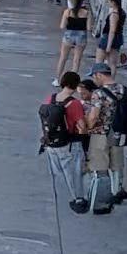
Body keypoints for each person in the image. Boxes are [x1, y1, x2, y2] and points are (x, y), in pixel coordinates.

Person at [42, 71, 89, 214]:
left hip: (51, 142)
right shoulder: (74, 103)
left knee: (58, 172)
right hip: (70, 143)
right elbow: (81, 126)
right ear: (75, 85)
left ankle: (60, 197)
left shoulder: (51, 98)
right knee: (73, 172)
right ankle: (78, 199)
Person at [84, 63, 126, 214]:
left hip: (100, 134)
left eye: (94, 76)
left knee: (100, 168)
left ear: (99, 75)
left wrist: (86, 128)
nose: (94, 80)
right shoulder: (124, 90)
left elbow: (94, 116)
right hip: (119, 135)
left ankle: (101, 203)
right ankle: (117, 193)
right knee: (116, 167)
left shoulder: (99, 94)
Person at [55, 0, 90, 86]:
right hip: (81, 36)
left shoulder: (68, 11)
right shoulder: (86, 13)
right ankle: (72, 82)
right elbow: (89, 27)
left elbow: (62, 26)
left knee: (63, 58)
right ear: (82, 2)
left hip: (69, 35)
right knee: (76, 59)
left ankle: (57, 79)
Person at [95, 0, 126, 69]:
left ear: (113, 2)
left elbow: (112, 30)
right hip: (118, 38)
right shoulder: (122, 13)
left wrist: (108, 46)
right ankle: (111, 79)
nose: (108, 3)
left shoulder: (114, 14)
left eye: (109, 1)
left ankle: (99, 78)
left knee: (99, 61)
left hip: (108, 38)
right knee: (112, 63)